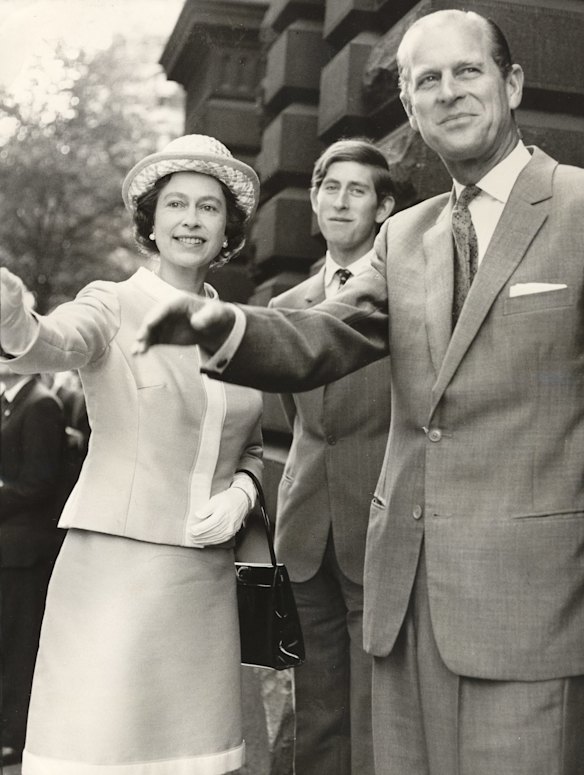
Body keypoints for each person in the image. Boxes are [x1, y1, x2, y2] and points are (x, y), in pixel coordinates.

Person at [133, 10, 584, 775]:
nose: (448, 93)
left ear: (510, 83)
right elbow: (321, 334)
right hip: (400, 599)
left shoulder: (577, 207)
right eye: (426, 81)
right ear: (409, 110)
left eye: (466, 71)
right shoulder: (404, 237)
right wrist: (216, 323)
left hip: (530, 600)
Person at [0, 133, 264, 775]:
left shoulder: (242, 326)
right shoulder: (110, 303)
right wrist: (12, 316)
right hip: (115, 577)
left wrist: (244, 494)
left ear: (228, 225)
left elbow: (253, 444)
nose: (192, 220)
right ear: (152, 219)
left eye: (209, 206)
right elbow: (54, 342)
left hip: (204, 582)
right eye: (177, 204)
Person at [268, 138, 394, 775]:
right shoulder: (285, 309)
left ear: (383, 207)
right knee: (309, 701)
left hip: (378, 522)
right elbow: (296, 427)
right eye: (329, 187)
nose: (340, 201)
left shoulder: (406, 296)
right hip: (302, 527)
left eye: (357, 190)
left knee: (377, 702)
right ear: (314, 200)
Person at [0, 365, 65, 767]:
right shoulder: (11, 403)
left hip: (25, 549)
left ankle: (13, 736)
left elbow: (39, 483)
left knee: (20, 645)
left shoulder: (42, 405)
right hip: (10, 545)